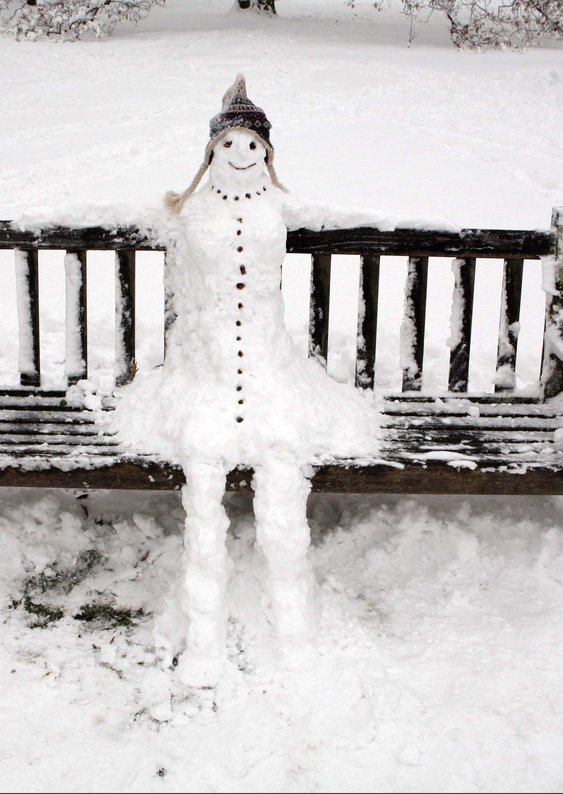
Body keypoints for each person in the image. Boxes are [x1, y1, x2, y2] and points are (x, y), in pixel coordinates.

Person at [112, 75, 379, 687]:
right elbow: (156, 227)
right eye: (229, 143)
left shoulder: (278, 206)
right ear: (211, 150)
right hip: (204, 374)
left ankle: (293, 617)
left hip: (269, 370)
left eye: (252, 144)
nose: (240, 153)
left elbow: (340, 218)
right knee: (202, 466)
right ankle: (202, 626)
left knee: (281, 454)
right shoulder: (191, 210)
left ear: (267, 152)